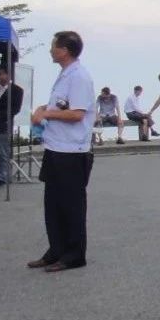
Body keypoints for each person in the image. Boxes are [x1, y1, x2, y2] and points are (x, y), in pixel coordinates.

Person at [27, 31, 95, 273]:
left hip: (72, 151)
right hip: (55, 146)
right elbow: (59, 105)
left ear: (64, 50)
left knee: (71, 206)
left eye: (53, 46)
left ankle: (74, 255)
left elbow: (77, 114)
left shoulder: (79, 77)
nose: (51, 50)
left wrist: (46, 113)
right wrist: (41, 109)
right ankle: (56, 250)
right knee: (53, 205)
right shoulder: (65, 75)